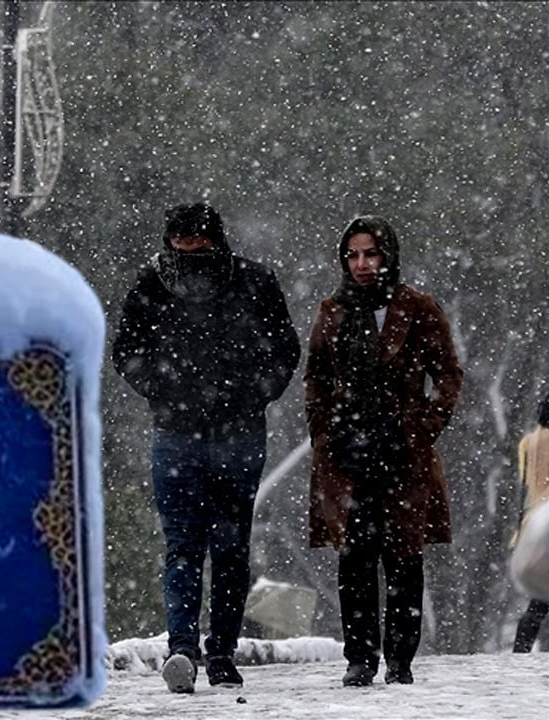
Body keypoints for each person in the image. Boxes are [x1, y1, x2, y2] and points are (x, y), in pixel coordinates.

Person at [113, 202, 300, 693]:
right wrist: (166, 389)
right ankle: (185, 649)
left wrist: (250, 393)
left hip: (233, 434)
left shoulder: (255, 283)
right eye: (182, 246)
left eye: (199, 246)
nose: (190, 256)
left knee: (227, 548)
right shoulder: (152, 285)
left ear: (215, 241)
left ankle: (217, 650)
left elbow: (284, 350)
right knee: (187, 547)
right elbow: (127, 352)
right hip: (179, 434)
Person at [304, 215, 463, 687]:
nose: (362, 264)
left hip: (402, 453)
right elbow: (316, 378)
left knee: (403, 558)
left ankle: (400, 659)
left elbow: (449, 375)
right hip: (347, 453)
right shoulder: (332, 310)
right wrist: (324, 433)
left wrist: (423, 427)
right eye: (352, 254)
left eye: (370, 253)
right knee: (354, 558)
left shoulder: (417, 307)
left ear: (387, 255)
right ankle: (360, 657)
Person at [512, 390, 549, 653]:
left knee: (539, 599)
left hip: (535, 520)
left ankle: (521, 648)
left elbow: (525, 486)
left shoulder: (530, 442)